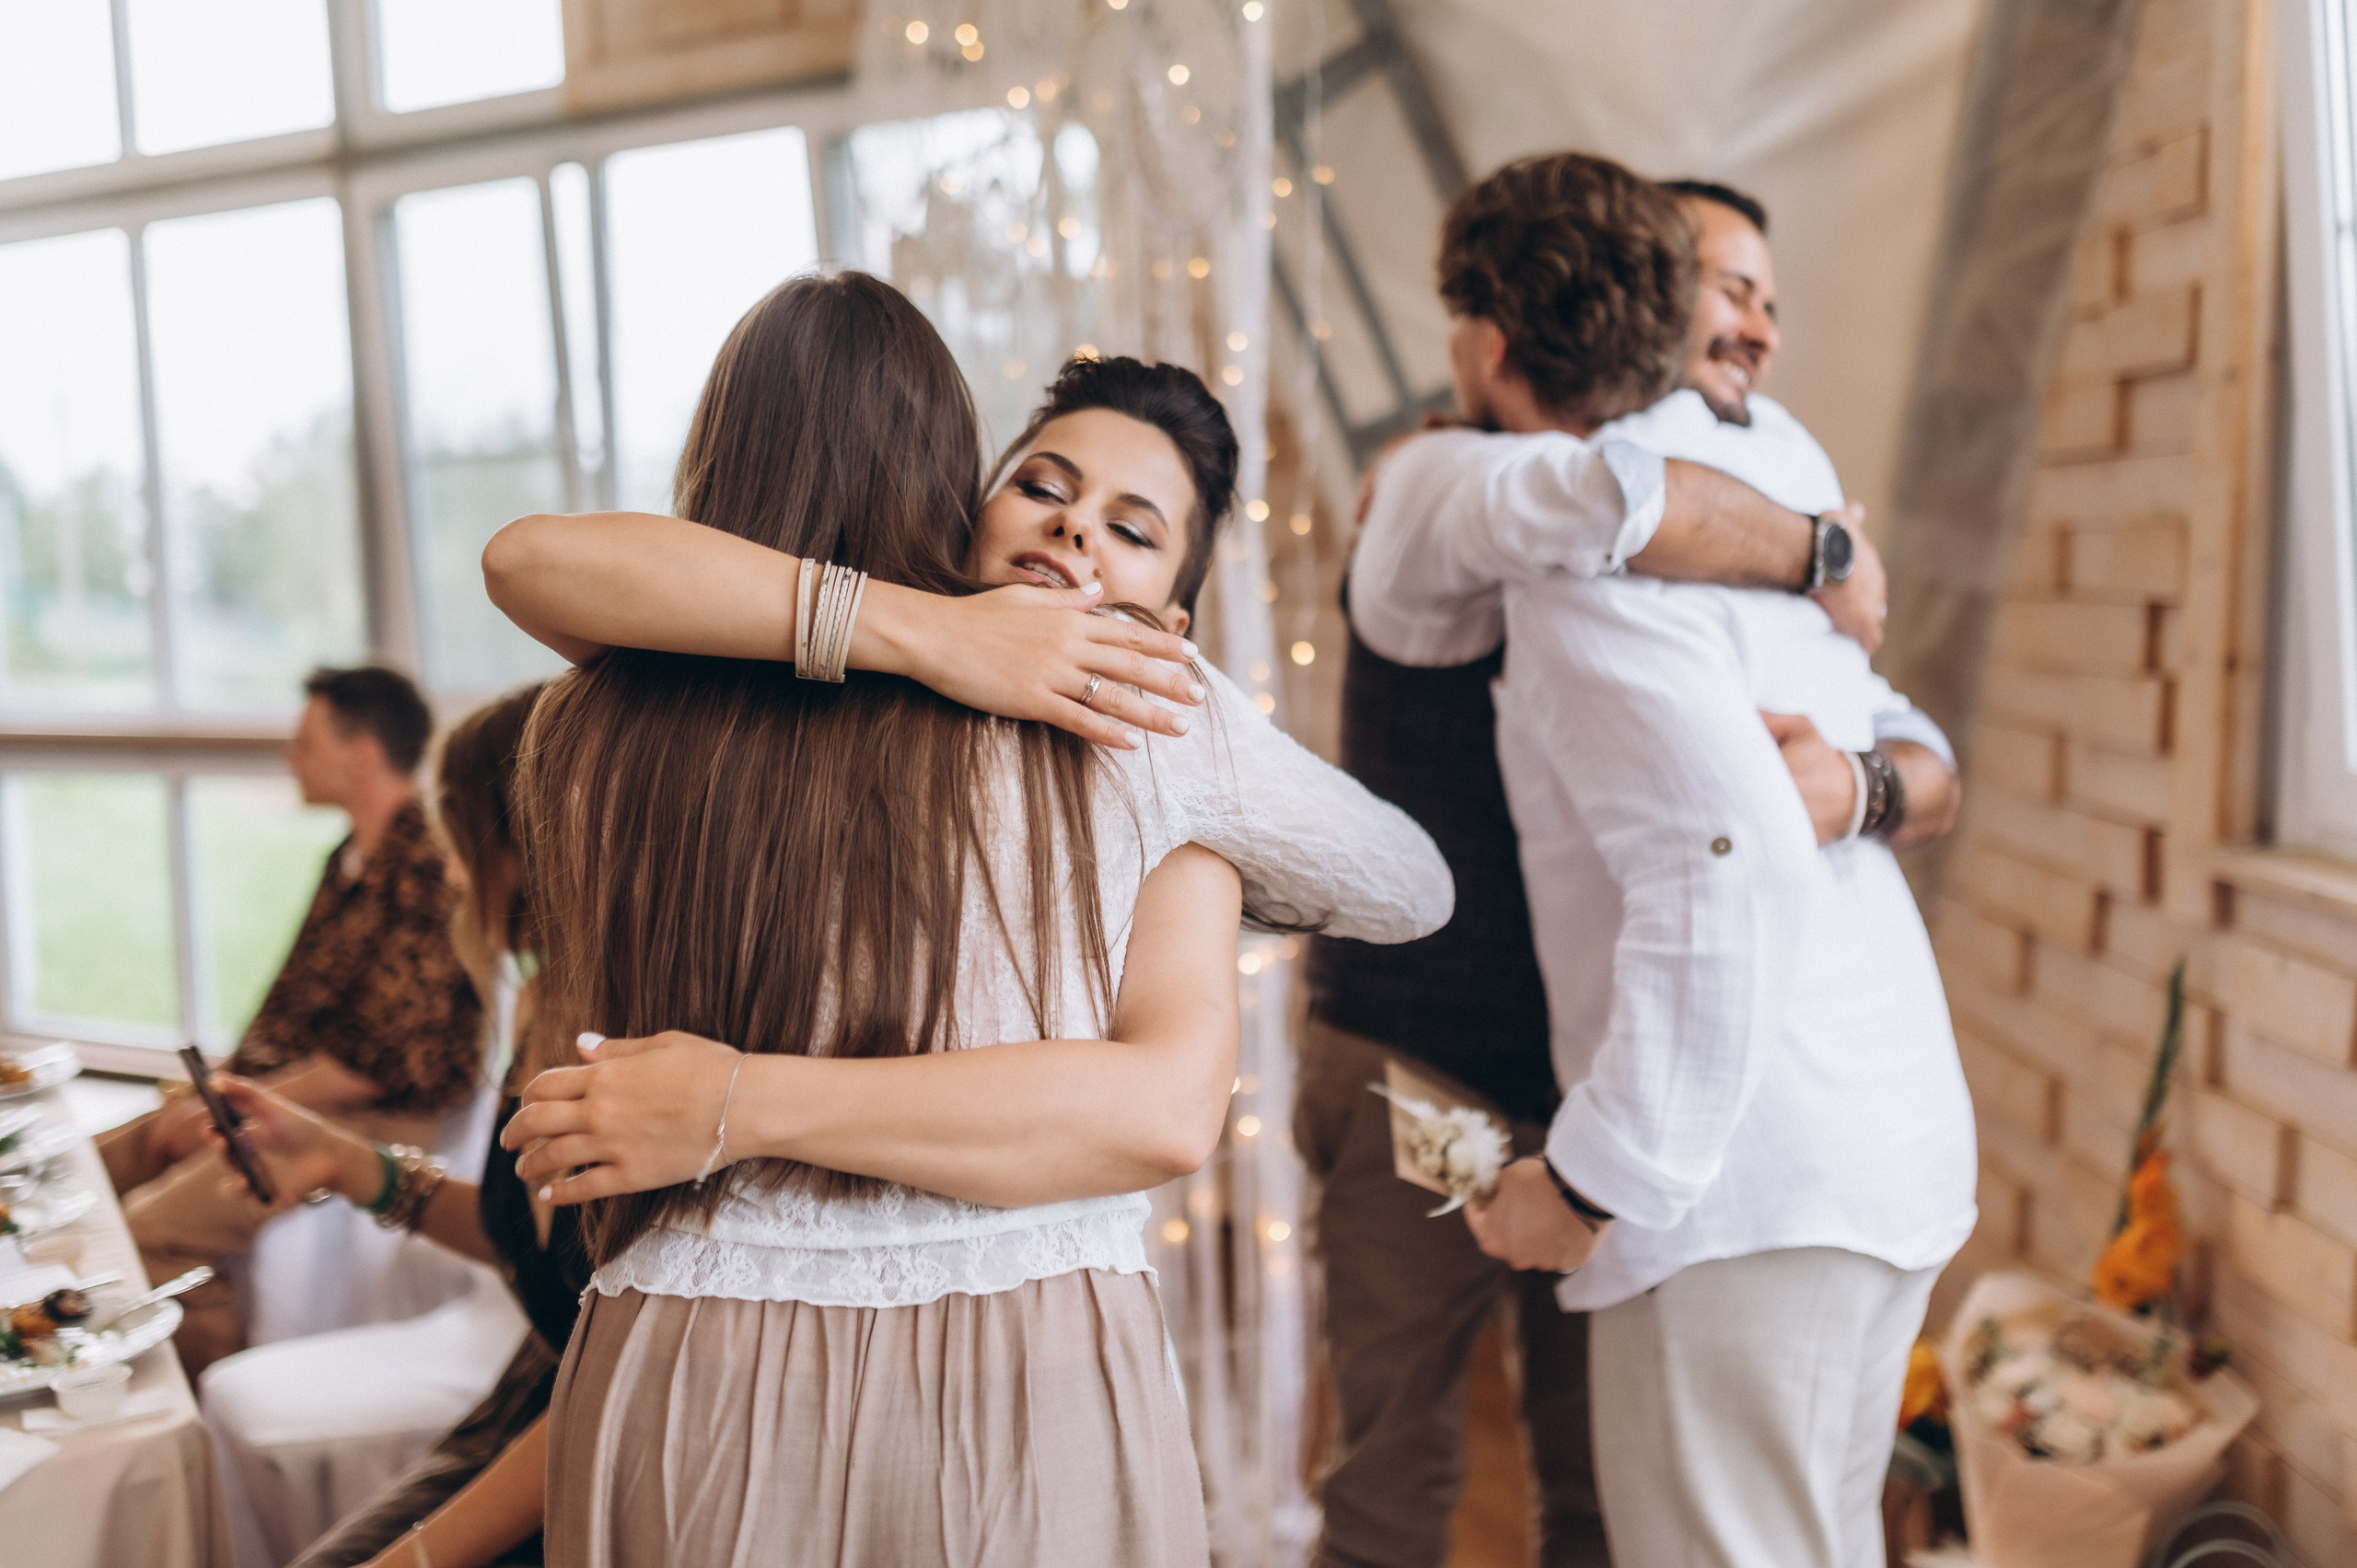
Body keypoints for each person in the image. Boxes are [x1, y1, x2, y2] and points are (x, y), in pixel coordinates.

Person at [482, 271, 1460, 1564]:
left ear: (1169, 619)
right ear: (964, 499)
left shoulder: (602, 709)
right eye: (1043, 485)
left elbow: (1404, 888)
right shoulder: (1045, 712)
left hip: (681, 1358)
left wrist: (1196, 825)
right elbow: (526, 559)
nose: (1071, 529)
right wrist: (940, 636)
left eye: (1130, 528)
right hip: (986, 1369)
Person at [1293, 160, 1932, 1568]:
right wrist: (1822, 544)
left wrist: (1861, 772)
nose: (1747, 326)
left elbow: (1905, 750)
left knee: (1599, 1496)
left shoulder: (1693, 513)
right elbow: (1613, 494)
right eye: (1718, 290)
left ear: (1486, 339)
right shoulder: (1453, 482)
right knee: (1395, 1476)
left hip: (1610, 1077)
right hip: (1422, 1057)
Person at [197, 684, 588, 1568]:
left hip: (586, 1446)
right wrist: (344, 1161)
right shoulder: (540, 997)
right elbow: (523, 1241)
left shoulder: (624, 1043)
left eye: (456, 839)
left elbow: (608, 1380)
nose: (449, 875)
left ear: (522, 847)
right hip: (529, 1404)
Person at [100, 665, 483, 1373]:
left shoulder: (426, 867)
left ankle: (198, 1404)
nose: (290, 757)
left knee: (149, 1229)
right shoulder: (350, 858)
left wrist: (229, 1106)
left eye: (305, 742)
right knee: (94, 1165)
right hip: (290, 1094)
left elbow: (379, 1063)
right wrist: (217, 1088)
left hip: (369, 1120)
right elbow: (290, 1006)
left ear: (361, 754)